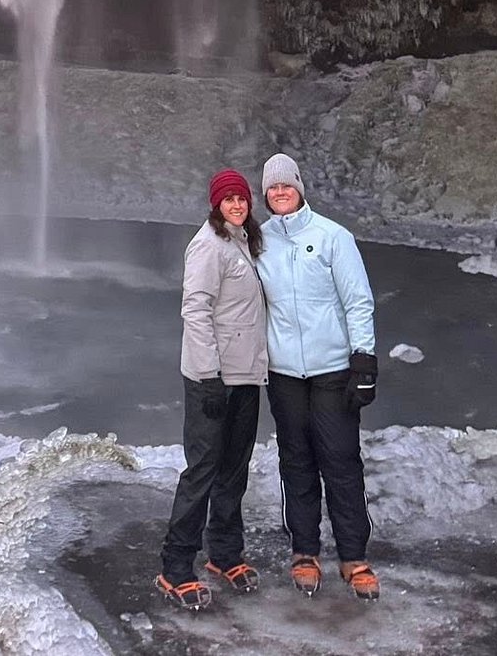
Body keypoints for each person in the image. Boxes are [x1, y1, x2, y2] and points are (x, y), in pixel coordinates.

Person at [256, 151, 380, 601]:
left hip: (332, 370)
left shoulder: (332, 237)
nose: (280, 191)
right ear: (265, 195)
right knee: (297, 461)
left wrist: (363, 360)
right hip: (284, 371)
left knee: (341, 460)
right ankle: (304, 550)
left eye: (287, 184)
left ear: (300, 189)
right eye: (272, 186)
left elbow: (358, 300)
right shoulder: (260, 240)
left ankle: (354, 556)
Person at [156, 168, 267, 612]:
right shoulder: (208, 245)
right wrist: (208, 378)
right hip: (213, 379)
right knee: (202, 470)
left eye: (242, 199)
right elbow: (195, 311)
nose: (236, 205)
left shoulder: (245, 241)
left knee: (234, 470)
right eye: (228, 200)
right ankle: (175, 567)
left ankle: (224, 554)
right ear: (215, 204)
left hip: (245, 376)